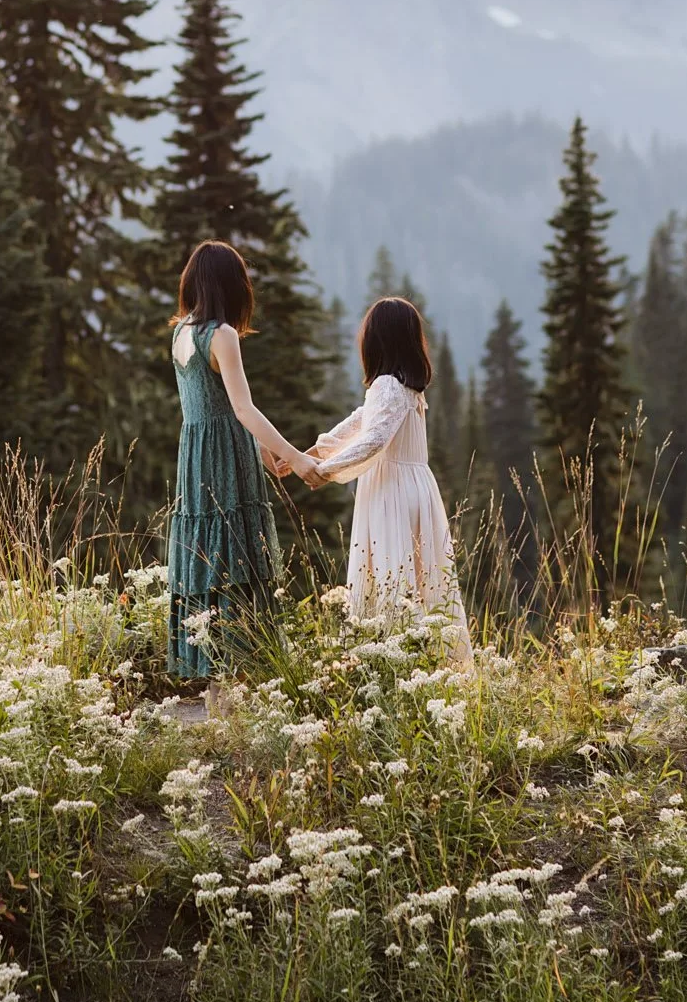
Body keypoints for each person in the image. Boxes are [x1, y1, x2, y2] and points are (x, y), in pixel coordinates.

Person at [168, 240, 322, 680]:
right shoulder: (222, 334)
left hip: (196, 459)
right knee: (237, 558)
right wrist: (294, 456)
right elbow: (242, 409)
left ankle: (215, 688)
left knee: (209, 558)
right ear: (231, 286)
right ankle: (240, 684)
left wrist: (265, 454)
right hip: (225, 461)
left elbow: (213, 408)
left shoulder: (180, 333)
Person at [310, 295, 471, 660]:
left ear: (376, 340)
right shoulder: (409, 390)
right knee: (425, 578)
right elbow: (360, 421)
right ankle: (435, 660)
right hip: (418, 489)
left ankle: (389, 659)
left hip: (391, 491)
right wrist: (318, 453)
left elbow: (374, 438)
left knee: (388, 573)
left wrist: (325, 470)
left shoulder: (385, 385)